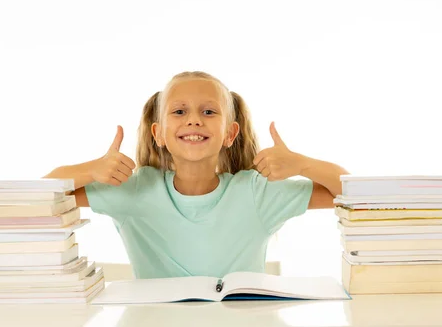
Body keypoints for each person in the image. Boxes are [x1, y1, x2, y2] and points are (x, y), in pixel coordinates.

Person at [43, 71, 349, 279]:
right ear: (158, 133)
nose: (193, 121)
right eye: (179, 112)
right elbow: (40, 196)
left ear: (230, 133)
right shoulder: (133, 192)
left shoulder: (256, 192)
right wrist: (91, 169)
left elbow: (350, 192)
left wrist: (302, 164)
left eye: (208, 112)